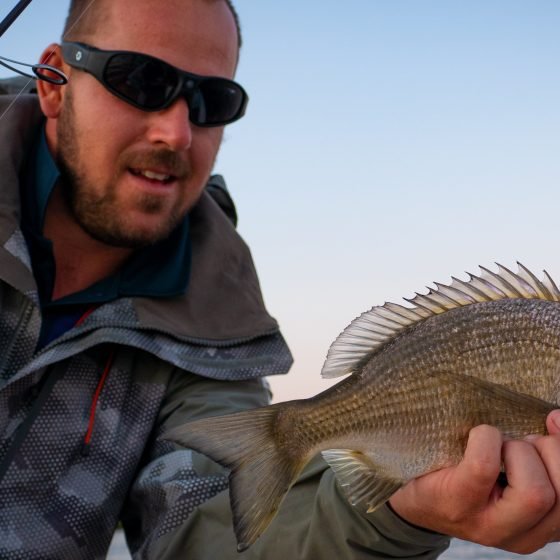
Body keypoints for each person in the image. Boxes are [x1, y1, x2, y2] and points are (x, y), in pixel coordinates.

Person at [1, 0, 560, 558]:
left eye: (210, 101)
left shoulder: (219, 329)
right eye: (140, 80)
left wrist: (398, 516)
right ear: (54, 84)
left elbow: (210, 539)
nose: (177, 132)